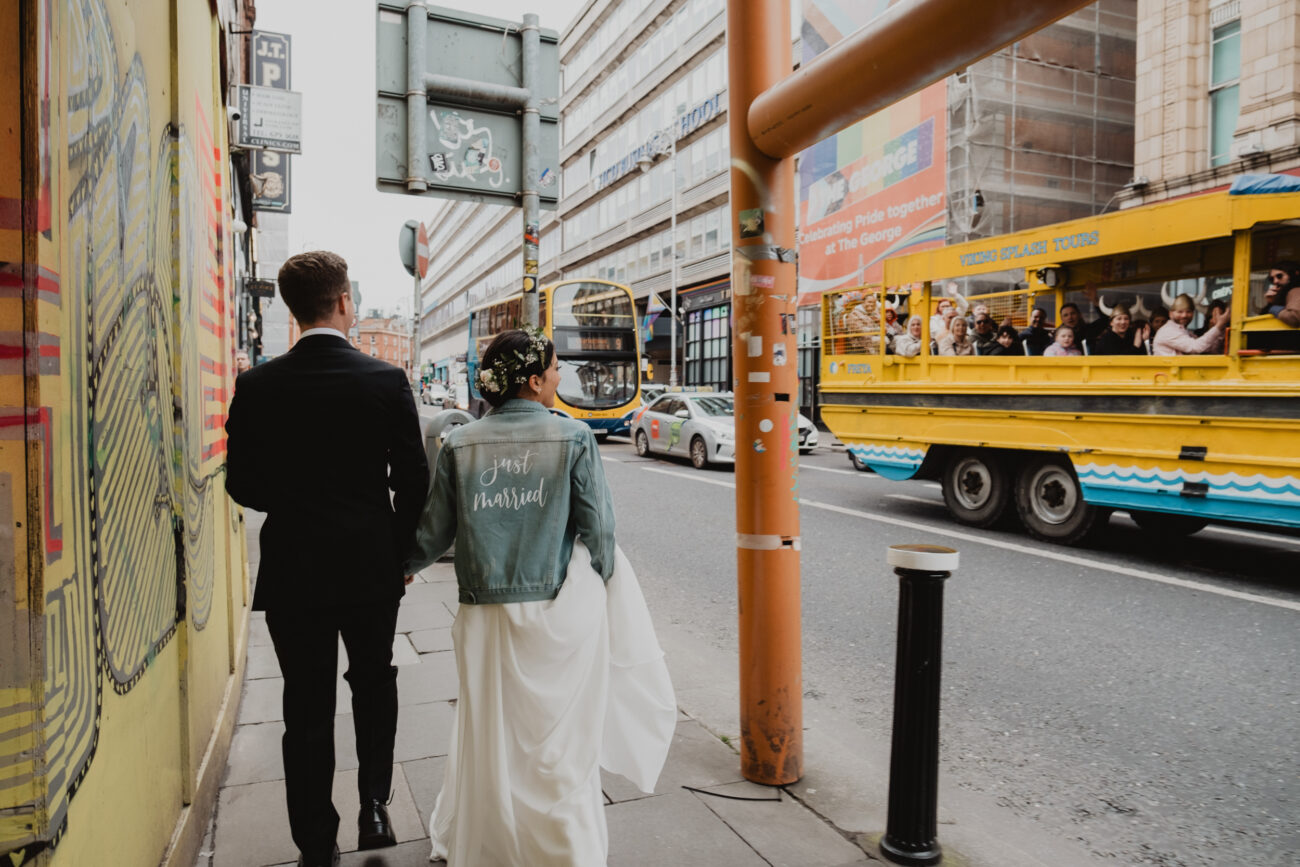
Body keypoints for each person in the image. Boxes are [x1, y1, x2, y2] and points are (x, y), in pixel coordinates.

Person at [407, 329, 675, 866]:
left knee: (491, 732)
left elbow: (433, 533)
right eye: (553, 369)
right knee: (556, 745)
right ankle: (558, 846)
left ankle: (491, 838)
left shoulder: (460, 443)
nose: (558, 377)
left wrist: (402, 569)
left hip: (483, 614)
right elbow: (599, 531)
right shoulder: (574, 439)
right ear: (532, 380)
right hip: (554, 616)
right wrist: (604, 583)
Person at [225, 251, 429, 867]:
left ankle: (317, 842)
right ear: (343, 302)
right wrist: (398, 550)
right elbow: (414, 480)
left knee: (305, 706)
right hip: (371, 566)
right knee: (374, 684)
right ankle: (374, 806)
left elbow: (241, 483)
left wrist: (291, 503)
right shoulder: (385, 381)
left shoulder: (257, 385)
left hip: (293, 571)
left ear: (292, 308)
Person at [1153, 293, 1229, 355]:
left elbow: (1208, 350)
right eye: (1180, 312)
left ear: (1193, 313)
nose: (1184, 315)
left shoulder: (1184, 331)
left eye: (1188, 311)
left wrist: (1217, 327)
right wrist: (1219, 326)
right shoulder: (1168, 330)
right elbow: (1196, 347)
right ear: (1170, 314)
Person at [1263, 261, 1300, 325]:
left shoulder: (1296, 290)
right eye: (1272, 279)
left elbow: (1294, 318)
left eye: (1279, 276)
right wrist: (1271, 302)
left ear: (1294, 274)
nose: (1275, 281)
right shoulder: (1286, 293)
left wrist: (1273, 308)